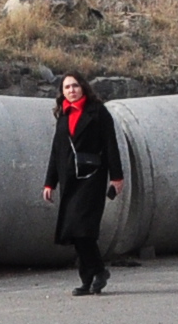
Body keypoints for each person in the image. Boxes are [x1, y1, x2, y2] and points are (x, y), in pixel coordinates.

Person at [41, 72, 123, 295]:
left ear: (83, 88)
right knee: (73, 230)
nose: (71, 90)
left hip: (91, 177)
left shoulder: (98, 112)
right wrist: (50, 182)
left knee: (82, 228)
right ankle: (89, 278)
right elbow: (56, 152)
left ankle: (97, 272)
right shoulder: (63, 115)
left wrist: (117, 177)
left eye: (75, 86)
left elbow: (110, 145)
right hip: (70, 179)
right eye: (67, 87)